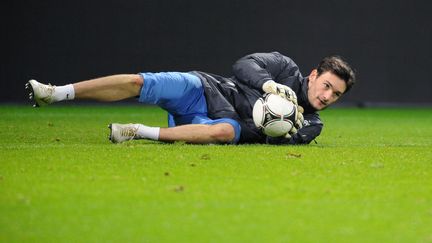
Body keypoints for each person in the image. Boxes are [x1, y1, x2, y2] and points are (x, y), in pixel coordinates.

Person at [26, 52, 355, 145]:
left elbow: (292, 139)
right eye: (326, 85)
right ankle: (55, 93)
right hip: (205, 88)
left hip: (221, 123)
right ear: (314, 75)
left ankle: (136, 131)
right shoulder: (284, 67)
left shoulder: (312, 122)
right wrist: (269, 86)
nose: (327, 96)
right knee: (139, 81)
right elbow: (243, 65)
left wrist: (288, 128)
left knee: (226, 132)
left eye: (336, 94)